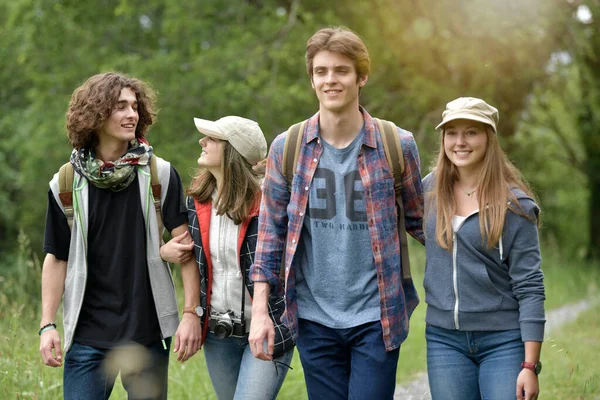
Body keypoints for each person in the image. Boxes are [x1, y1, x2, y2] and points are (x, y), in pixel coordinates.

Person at [248, 27, 424, 399]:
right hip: (313, 318)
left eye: (341, 71)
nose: (331, 80)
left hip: (378, 317)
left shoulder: (397, 145)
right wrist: (261, 312)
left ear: (361, 77)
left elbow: (423, 224)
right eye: (322, 71)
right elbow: (270, 236)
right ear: (312, 79)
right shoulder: (288, 147)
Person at [39, 72, 202, 400]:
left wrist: (190, 314)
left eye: (134, 106)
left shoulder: (160, 174)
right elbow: (57, 257)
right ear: (95, 115)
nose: (132, 114)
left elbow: (187, 248)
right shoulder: (65, 183)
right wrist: (47, 324)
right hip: (86, 337)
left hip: (147, 333)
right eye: (120, 107)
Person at [160, 115, 295, 400]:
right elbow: (187, 257)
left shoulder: (272, 202)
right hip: (218, 336)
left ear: (232, 150)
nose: (202, 141)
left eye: (212, 138)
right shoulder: (197, 203)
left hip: (268, 327)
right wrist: (164, 252)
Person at [422, 97, 545, 400]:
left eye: (471, 132)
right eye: (452, 133)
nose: (460, 142)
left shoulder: (516, 206)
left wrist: (530, 365)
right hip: (443, 339)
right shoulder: (427, 191)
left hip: (502, 340)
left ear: (489, 138)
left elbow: (530, 286)